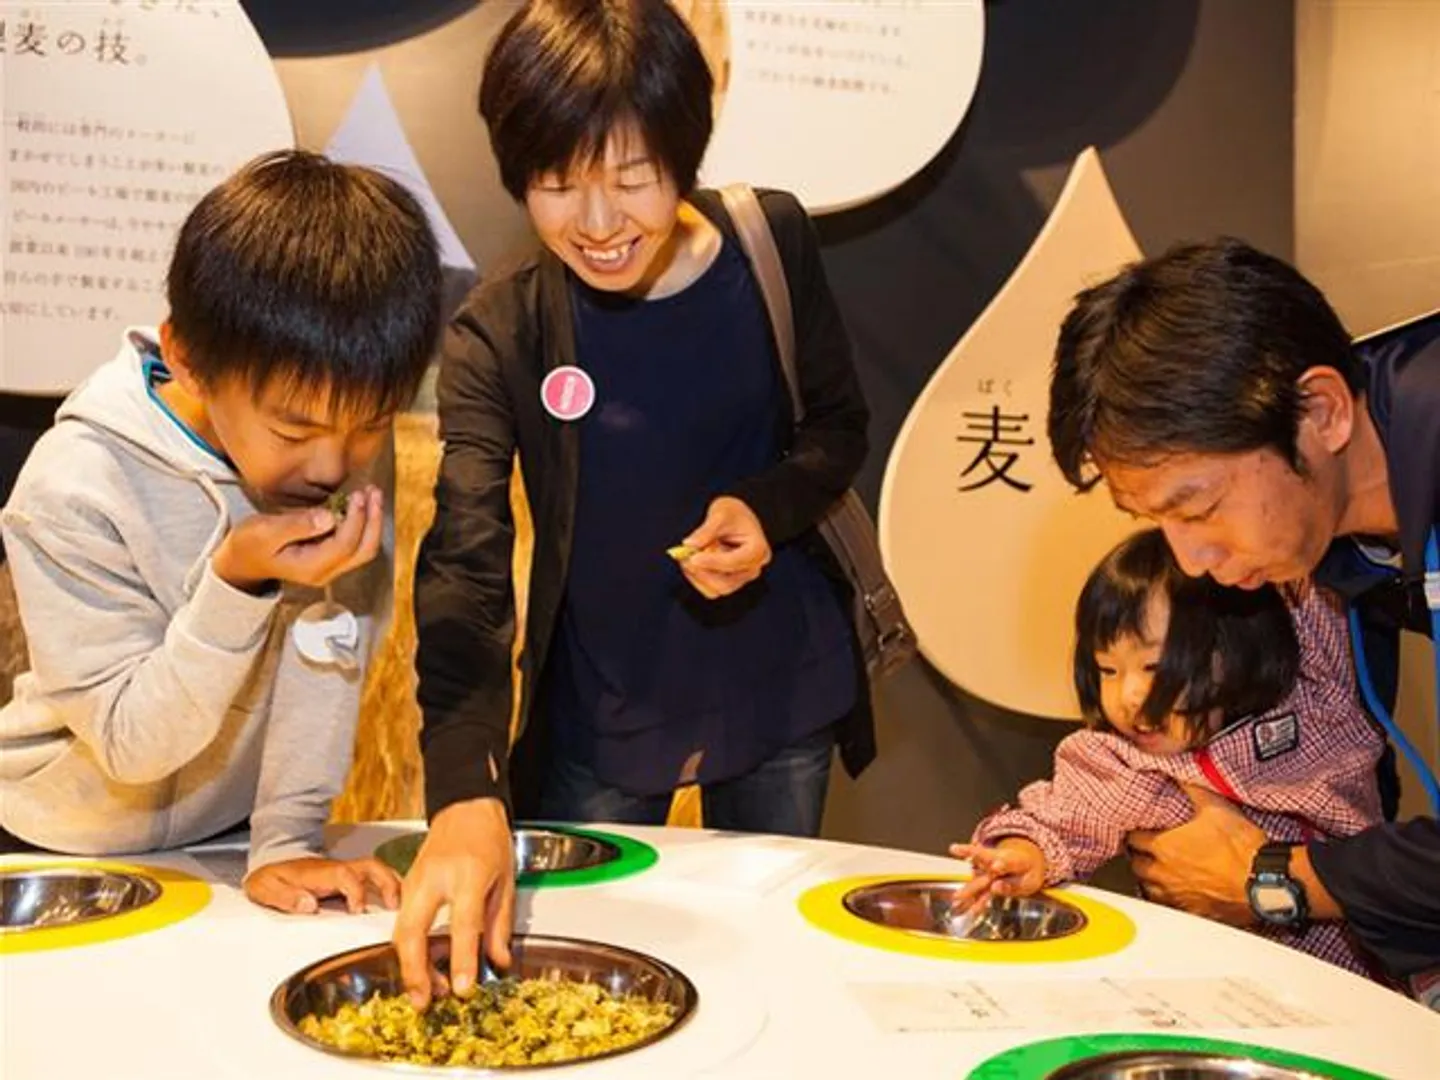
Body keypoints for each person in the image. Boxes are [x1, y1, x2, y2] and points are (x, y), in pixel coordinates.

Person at [396, 0, 872, 1006]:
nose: (599, 223)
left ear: (684, 152)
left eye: (631, 177)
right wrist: (465, 794)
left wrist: (764, 508)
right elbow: (465, 565)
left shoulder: (771, 244)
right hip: (605, 709)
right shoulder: (500, 334)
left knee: (770, 968)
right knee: (584, 984)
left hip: (776, 682)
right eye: (558, 183)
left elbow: (835, 431)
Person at [0, 150, 444, 917]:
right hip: (59, 838)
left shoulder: (339, 450)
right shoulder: (73, 484)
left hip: (228, 839)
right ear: (189, 361)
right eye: (293, 428)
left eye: (372, 423)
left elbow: (331, 650)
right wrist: (236, 586)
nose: (334, 462)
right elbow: (130, 744)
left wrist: (287, 842)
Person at [1047, 236, 1440, 995]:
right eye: (1158, 522)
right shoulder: (1338, 546)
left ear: (1320, 412)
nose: (1192, 561)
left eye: (1200, 507)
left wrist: (1271, 878)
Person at [951, 529, 1384, 976]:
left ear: (1232, 645)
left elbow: (1305, 570)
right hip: (1221, 991)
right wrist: (1021, 852)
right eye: (1107, 669)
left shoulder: (1317, 707)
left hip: (1372, 978)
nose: (1131, 694)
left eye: (1154, 665)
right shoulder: (1121, 763)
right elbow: (1056, 822)